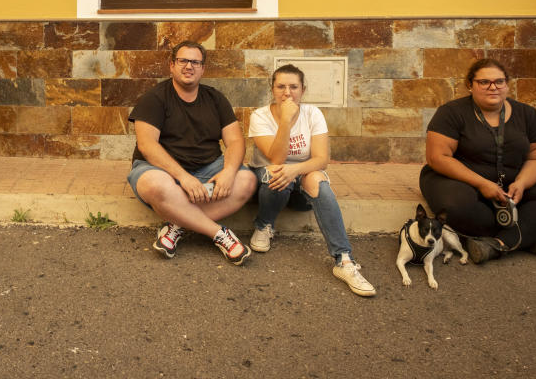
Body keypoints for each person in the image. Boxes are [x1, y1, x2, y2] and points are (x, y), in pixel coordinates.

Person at [422, 58, 536, 263]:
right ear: (470, 85)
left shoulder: (526, 114)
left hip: (509, 180)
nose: (493, 87)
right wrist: (482, 183)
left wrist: (522, 183)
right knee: (457, 204)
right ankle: (526, 238)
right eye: (484, 82)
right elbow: (437, 157)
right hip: (459, 179)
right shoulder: (451, 112)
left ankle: (497, 244)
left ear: (507, 85)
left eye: (499, 81)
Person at [247, 64, 376, 297]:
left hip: (299, 186)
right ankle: (264, 224)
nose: (287, 93)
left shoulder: (313, 114)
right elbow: (276, 157)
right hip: (271, 185)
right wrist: (285, 121)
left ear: (303, 90)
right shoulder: (260, 116)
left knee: (316, 178)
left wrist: (295, 171)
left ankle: (344, 260)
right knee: (276, 170)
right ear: (272, 89)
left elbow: (321, 159)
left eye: (294, 87)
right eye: (281, 87)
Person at [127, 40, 257, 265]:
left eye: (195, 62)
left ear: (203, 68)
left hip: (209, 167)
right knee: (155, 185)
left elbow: (235, 141)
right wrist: (183, 177)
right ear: (172, 65)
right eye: (183, 61)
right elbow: (147, 146)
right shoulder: (155, 98)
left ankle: (176, 226)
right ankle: (218, 234)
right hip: (163, 170)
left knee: (246, 180)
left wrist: (228, 172)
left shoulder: (215, 99)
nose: (189, 66)